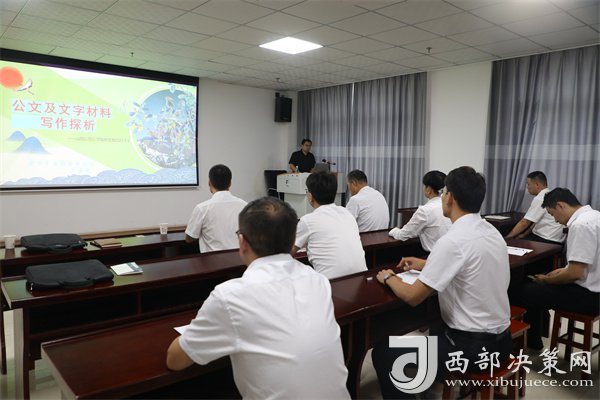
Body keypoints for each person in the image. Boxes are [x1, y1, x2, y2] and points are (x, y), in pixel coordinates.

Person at [167, 197, 350, 399]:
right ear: (293, 241)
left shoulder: (230, 296)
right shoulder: (318, 281)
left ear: (242, 242)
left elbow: (175, 360)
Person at [372, 167, 512, 399]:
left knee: (383, 352)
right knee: (437, 325)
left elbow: (413, 296)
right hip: (502, 342)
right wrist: (426, 264)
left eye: (445, 192)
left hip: (471, 349)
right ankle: (430, 378)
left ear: (450, 198)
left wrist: (389, 277)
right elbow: (469, 266)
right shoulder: (491, 231)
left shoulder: (453, 241)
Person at [517, 188, 599, 350]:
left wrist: (547, 280)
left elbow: (575, 273)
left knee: (522, 291)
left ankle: (528, 343)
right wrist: (555, 274)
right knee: (537, 288)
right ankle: (534, 340)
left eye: (552, 214)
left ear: (560, 205)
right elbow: (579, 266)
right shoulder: (595, 216)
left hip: (590, 297)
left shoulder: (580, 225)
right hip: (595, 290)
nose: (555, 220)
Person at [292, 171, 367, 279]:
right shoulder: (346, 213)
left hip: (331, 284)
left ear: (310, 196)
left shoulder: (307, 221)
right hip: (361, 278)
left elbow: (287, 252)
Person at [185, 164, 247, 252]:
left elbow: (190, 238)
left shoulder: (202, 208)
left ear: (209, 182)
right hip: (239, 257)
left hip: (213, 259)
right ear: (230, 183)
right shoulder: (244, 205)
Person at [388, 170, 451, 252]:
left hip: (432, 256)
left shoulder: (425, 211)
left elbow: (403, 235)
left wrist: (393, 231)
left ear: (429, 189)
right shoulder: (450, 206)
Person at [505, 171, 565, 244]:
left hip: (545, 239)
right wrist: (525, 234)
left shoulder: (540, 198)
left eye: (528, 184)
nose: (527, 188)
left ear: (537, 185)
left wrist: (507, 238)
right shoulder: (550, 195)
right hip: (556, 239)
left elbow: (524, 222)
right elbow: (536, 220)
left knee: (512, 241)